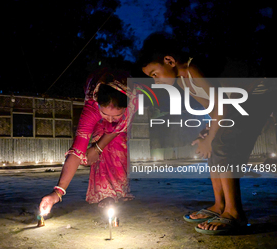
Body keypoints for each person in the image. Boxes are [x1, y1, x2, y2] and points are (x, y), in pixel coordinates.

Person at [138, 32, 276, 235]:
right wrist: (207, 132)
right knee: (213, 142)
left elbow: (222, 107)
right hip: (235, 102)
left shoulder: (193, 68)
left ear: (169, 61)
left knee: (222, 142)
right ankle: (220, 206)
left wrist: (212, 136)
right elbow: (214, 109)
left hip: (260, 91)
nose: (155, 82)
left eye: (154, 74)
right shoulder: (184, 80)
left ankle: (234, 213)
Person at [39, 68, 138, 216]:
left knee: (117, 144)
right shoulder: (91, 107)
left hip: (127, 103)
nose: (110, 120)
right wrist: (57, 193)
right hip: (97, 87)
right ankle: (105, 194)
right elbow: (77, 150)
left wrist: (98, 148)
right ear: (98, 105)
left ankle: (119, 192)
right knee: (99, 135)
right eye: (105, 114)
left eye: (116, 115)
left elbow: (117, 128)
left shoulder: (132, 102)